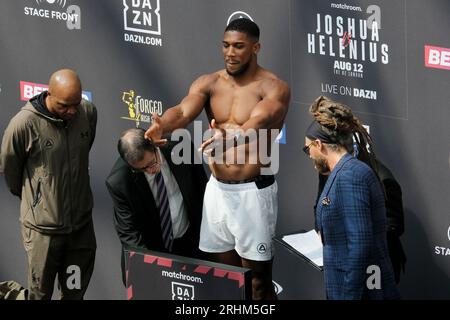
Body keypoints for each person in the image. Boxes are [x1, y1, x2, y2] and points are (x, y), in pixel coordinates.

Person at [145, 18, 290, 299]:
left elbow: (261, 120)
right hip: (218, 191)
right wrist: (163, 124)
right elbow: (184, 112)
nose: (230, 53)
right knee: (227, 279)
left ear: (256, 47)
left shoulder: (273, 87)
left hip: (253, 192)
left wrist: (232, 137)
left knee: (258, 282)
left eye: (238, 46)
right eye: (225, 45)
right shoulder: (209, 83)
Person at [0, 69, 97, 300]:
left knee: (74, 292)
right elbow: (11, 169)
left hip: (80, 229)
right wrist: (38, 201)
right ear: (49, 94)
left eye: (76, 103)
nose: (72, 111)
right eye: (65, 105)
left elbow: (85, 148)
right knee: (40, 294)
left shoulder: (87, 112)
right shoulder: (24, 124)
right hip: (44, 232)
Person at [303, 96, 399, 299]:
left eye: (307, 148)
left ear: (319, 145)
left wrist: (349, 296)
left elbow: (360, 245)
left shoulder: (350, 176)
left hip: (359, 291)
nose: (309, 154)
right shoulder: (342, 172)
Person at [105, 128, 207, 285]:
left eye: (151, 163)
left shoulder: (180, 149)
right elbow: (128, 233)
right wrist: (147, 266)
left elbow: (201, 189)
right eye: (142, 169)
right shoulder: (119, 181)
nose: (150, 170)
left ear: (154, 146)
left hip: (190, 242)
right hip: (152, 249)